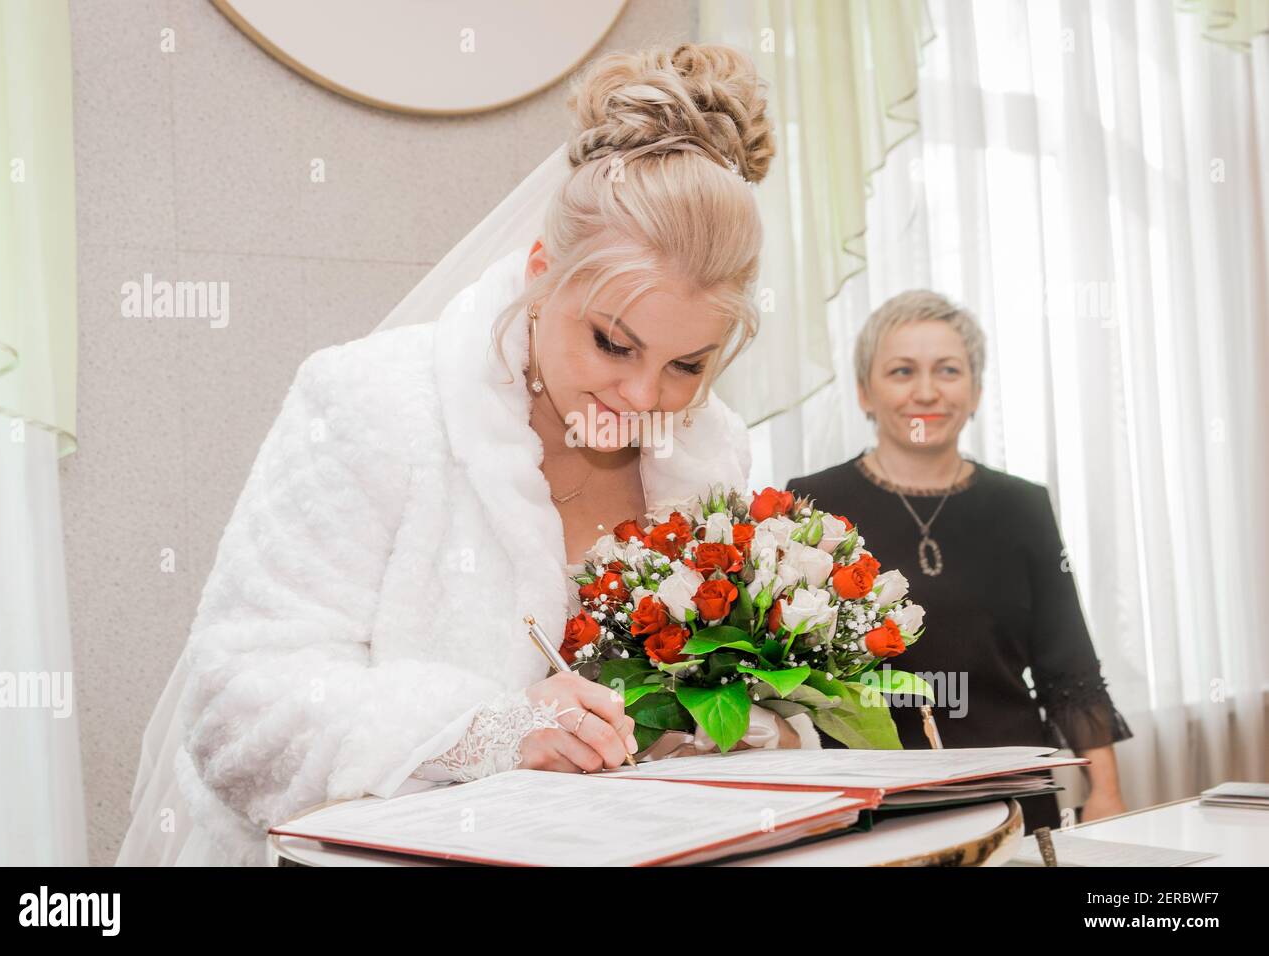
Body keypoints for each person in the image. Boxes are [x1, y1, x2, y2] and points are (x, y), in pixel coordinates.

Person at [117, 42, 797, 866]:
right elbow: (237, 707)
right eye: (613, 344)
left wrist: (740, 732)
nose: (646, 399)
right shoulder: (371, 401)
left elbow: (717, 696)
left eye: (688, 364)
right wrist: (485, 733)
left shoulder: (710, 448)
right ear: (544, 276)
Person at [787, 290, 1133, 834]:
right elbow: (790, 678)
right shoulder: (812, 504)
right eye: (902, 371)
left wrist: (1107, 795)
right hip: (867, 806)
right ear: (864, 393)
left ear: (975, 392)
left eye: (948, 370)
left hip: (1015, 801)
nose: (926, 391)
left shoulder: (1023, 505)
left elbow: (1070, 668)